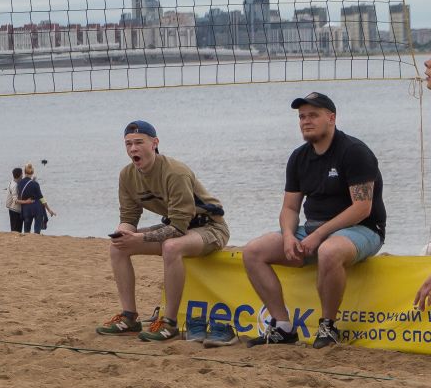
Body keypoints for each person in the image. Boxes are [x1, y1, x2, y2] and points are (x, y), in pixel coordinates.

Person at [236, 93, 383, 350]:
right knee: (252, 252)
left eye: (313, 115)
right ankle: (282, 326)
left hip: (363, 228)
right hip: (313, 228)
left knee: (328, 250)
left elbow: (362, 208)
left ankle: (328, 326)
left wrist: (318, 235)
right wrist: (290, 235)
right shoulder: (299, 157)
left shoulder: (354, 152)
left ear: (332, 118)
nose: (306, 121)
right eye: (302, 116)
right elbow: (290, 207)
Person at [96, 120, 230, 342]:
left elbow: (177, 228)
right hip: (176, 226)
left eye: (139, 143)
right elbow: (129, 217)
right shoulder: (127, 175)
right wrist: (122, 234)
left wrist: (140, 237)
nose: (133, 149)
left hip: (210, 227)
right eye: (128, 144)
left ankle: (169, 323)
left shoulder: (175, 172)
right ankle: (129, 317)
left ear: (154, 143)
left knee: (171, 247)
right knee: (117, 248)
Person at [17, 164, 47, 234]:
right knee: (37, 230)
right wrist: (48, 209)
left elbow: (19, 196)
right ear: (32, 173)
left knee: (26, 230)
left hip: (26, 208)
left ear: (24, 172)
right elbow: (41, 198)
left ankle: (26, 241)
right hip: (37, 207)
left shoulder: (19, 183)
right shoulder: (35, 184)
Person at [7, 167, 24, 232]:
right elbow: (16, 200)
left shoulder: (12, 182)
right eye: (22, 174)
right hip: (15, 210)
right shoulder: (15, 186)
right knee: (16, 230)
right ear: (20, 175)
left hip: (12, 208)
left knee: (14, 228)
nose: (23, 175)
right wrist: (27, 201)